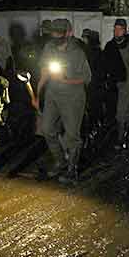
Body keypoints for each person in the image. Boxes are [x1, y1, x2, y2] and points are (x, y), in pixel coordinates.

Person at [33, 19, 91, 184]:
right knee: (47, 129)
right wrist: (37, 95)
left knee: (72, 135)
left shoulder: (78, 52)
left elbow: (87, 78)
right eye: (54, 32)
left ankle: (72, 169)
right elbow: (44, 71)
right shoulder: (49, 47)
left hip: (73, 97)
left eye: (60, 32)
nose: (56, 35)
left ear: (68, 32)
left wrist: (66, 80)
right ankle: (60, 161)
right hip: (52, 94)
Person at [102, 19, 129, 149]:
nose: (116, 31)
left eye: (119, 29)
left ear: (124, 30)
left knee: (122, 113)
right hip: (114, 84)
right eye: (115, 29)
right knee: (114, 113)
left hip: (127, 83)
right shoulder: (110, 46)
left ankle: (121, 138)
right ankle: (120, 133)